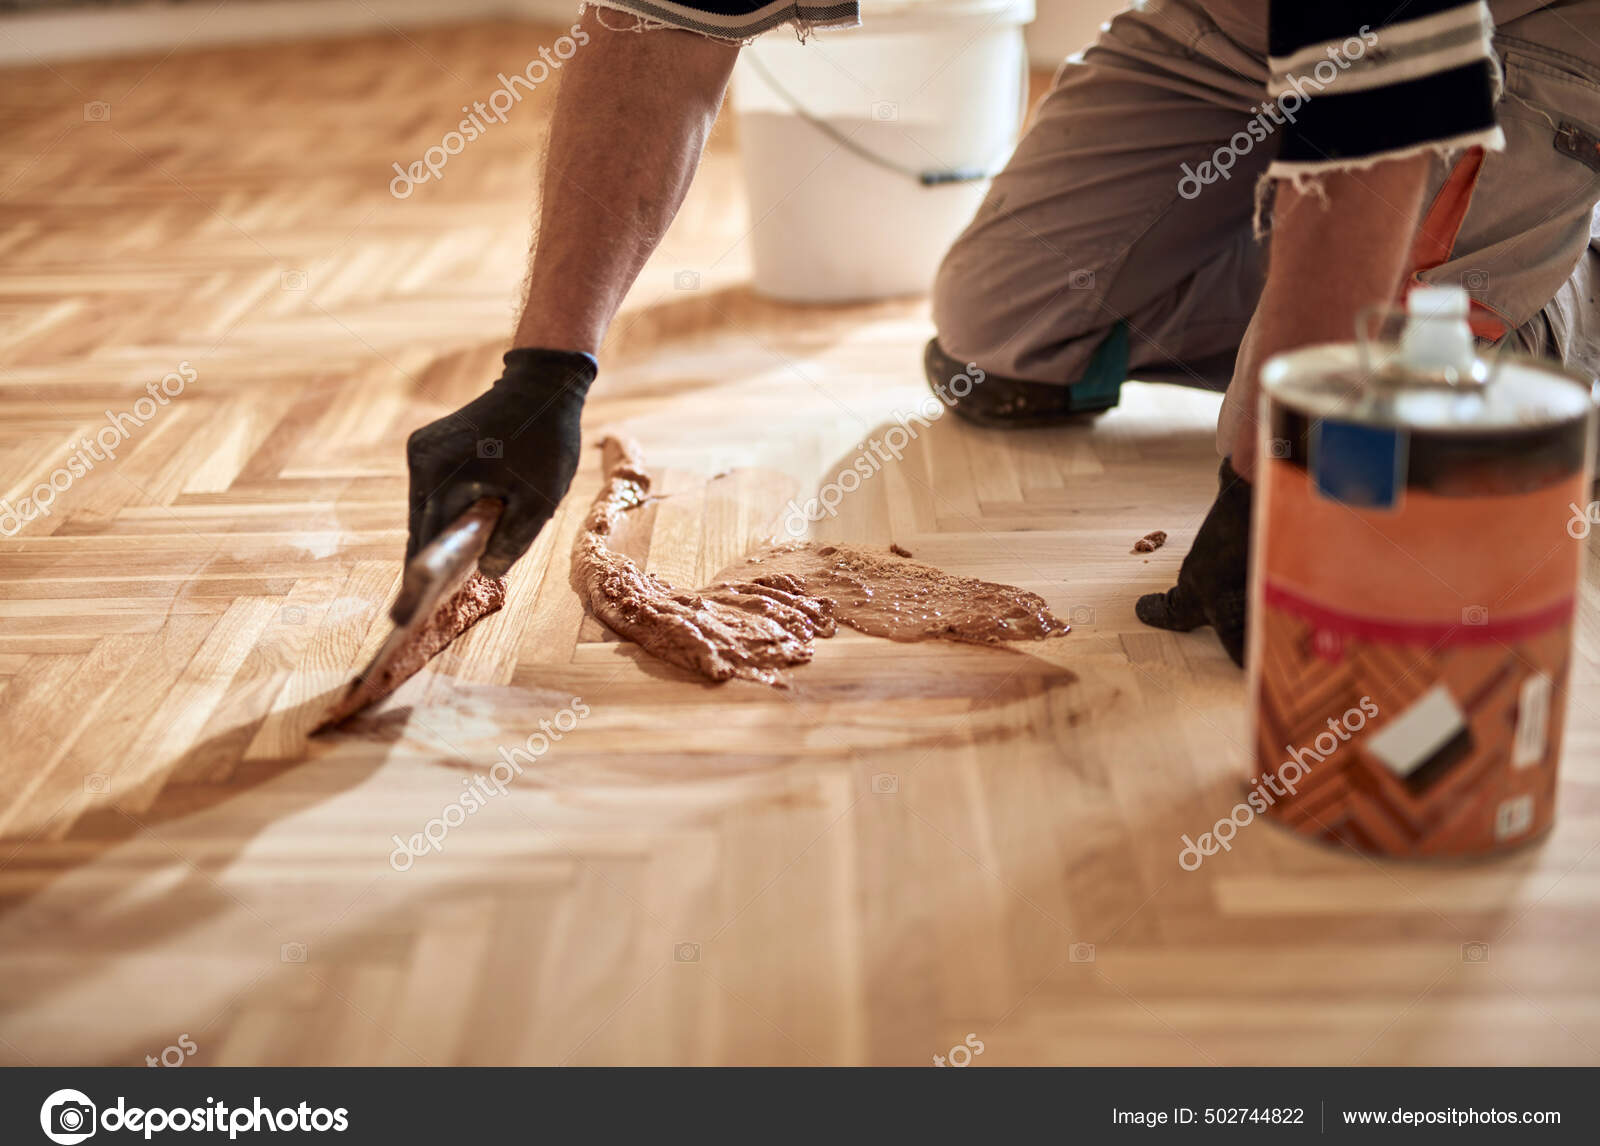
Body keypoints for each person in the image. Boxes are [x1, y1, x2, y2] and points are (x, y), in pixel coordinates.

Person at [405, 1, 1597, 664]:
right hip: (1229, 22)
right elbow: (660, 24)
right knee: (1000, 339)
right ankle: (1334, 285)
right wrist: (545, 371)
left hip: (1500, 36)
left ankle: (1538, 300)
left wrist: (1265, 464)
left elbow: (1380, 91)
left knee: (1359, 447)